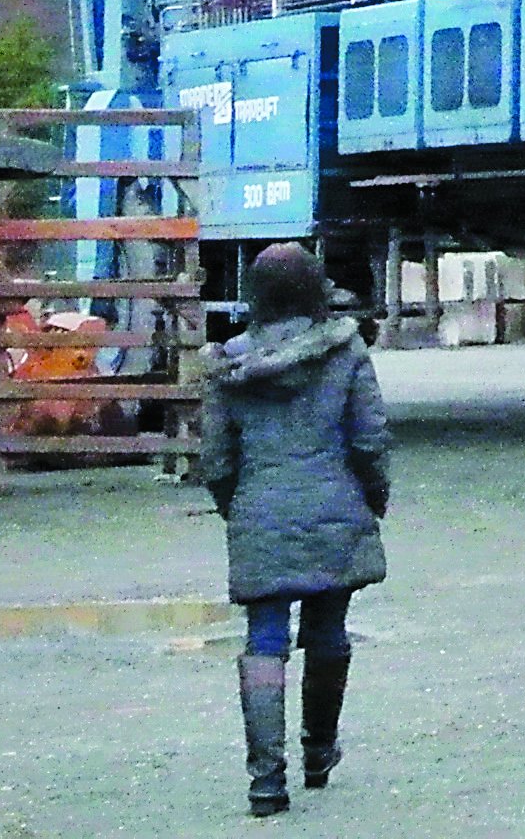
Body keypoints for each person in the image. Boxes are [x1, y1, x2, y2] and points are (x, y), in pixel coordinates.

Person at [196, 242, 390, 817]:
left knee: (264, 639)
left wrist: (239, 508)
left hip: (260, 511)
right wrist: (371, 502)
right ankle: (319, 751)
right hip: (336, 506)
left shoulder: (228, 363)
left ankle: (265, 783)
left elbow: (216, 459)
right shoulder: (346, 352)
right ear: (315, 289)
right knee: (329, 632)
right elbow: (370, 441)